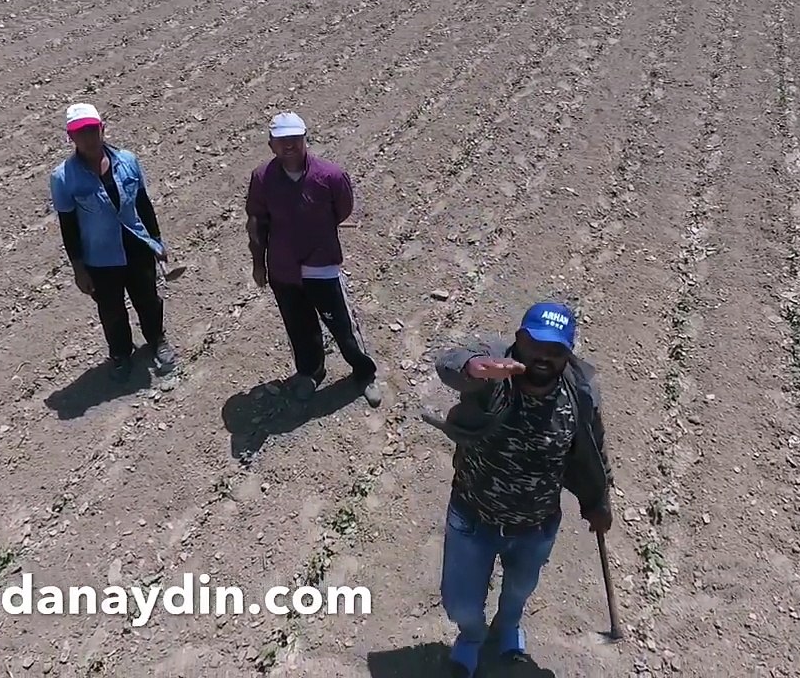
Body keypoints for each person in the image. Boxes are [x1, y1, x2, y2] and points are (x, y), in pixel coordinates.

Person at [428, 301, 614, 677]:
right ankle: (472, 637)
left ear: (568, 353)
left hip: (535, 526)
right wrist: (472, 367)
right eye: (535, 344)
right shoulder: (493, 370)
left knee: (519, 590)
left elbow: (593, 450)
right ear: (519, 339)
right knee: (460, 604)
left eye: (555, 349)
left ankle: (509, 625)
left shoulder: (579, 393)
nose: (543, 356)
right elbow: (449, 362)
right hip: (472, 517)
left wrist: (597, 501)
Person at [245, 110, 382, 408]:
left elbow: (342, 210)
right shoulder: (262, 178)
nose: (289, 145)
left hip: (322, 266)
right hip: (283, 268)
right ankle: (311, 372)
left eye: (295, 138)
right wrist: (258, 263)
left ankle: (364, 372)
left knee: (343, 325)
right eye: (282, 140)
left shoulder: (331, 176)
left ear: (306, 139)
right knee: (299, 327)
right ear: (271, 145)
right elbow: (257, 220)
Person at [49, 102, 177, 381]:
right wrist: (79, 269)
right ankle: (120, 353)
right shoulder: (63, 178)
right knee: (111, 310)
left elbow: (143, 204)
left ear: (102, 128)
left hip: (136, 246)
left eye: (91, 130)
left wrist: (156, 241)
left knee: (148, 299)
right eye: (80, 132)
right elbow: (68, 226)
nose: (88, 137)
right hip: (100, 256)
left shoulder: (128, 161)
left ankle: (157, 340)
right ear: (70, 137)